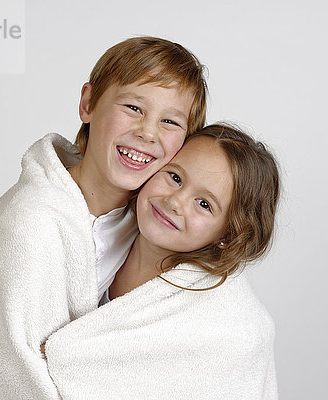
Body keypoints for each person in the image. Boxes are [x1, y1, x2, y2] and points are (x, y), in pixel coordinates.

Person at [0, 36, 207, 399]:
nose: (147, 132)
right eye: (133, 107)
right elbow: (13, 366)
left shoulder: (149, 223)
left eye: (171, 122)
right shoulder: (30, 224)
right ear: (87, 103)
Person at [43, 123, 281, 399]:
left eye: (204, 204)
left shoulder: (232, 331)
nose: (175, 201)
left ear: (228, 234)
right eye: (175, 177)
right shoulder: (93, 230)